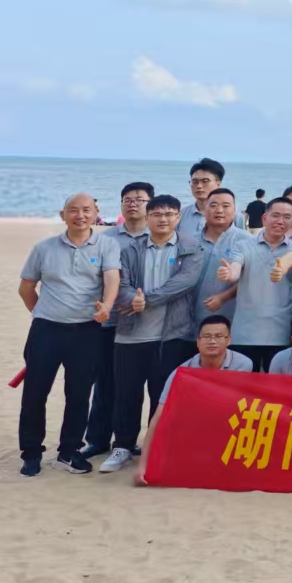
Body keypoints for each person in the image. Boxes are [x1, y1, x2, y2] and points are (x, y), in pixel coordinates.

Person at [16, 193, 121, 476]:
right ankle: (31, 453)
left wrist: (107, 306)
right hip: (46, 331)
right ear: (63, 215)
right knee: (35, 393)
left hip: (87, 331)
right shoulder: (43, 248)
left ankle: (69, 451)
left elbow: (112, 278)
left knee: (79, 394)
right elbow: (26, 288)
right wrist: (42, 314)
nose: (80, 215)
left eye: (86, 210)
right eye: (73, 210)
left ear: (96, 213)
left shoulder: (108, 245)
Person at [102, 194, 204, 473]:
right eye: (157, 214)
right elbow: (120, 283)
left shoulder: (191, 248)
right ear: (147, 218)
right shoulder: (130, 249)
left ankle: (155, 445)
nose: (163, 219)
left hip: (172, 334)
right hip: (131, 334)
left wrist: (146, 300)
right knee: (126, 393)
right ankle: (123, 446)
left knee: (163, 394)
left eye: (169, 214)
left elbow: (185, 283)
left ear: (178, 218)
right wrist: (129, 299)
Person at [84, 181, 150, 459]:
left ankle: (132, 441)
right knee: (105, 383)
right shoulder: (106, 238)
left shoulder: (160, 235)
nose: (132, 204)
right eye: (127, 199)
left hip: (150, 324)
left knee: (139, 386)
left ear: (151, 205)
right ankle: (97, 439)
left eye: (139, 199)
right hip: (110, 322)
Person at [220, 194, 292, 372]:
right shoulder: (244, 246)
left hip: (281, 331)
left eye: (286, 217)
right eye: (275, 215)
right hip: (245, 332)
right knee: (242, 386)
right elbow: (236, 267)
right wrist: (229, 274)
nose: (280, 221)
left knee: (276, 386)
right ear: (264, 218)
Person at [154, 316, 252, 414]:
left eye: (219, 336)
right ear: (198, 341)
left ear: (229, 340)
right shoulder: (182, 373)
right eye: (206, 336)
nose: (212, 341)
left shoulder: (242, 364)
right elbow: (162, 408)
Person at [180, 157, 226, 243]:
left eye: (205, 181)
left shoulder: (232, 215)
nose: (199, 186)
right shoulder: (182, 215)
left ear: (218, 184)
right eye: (195, 181)